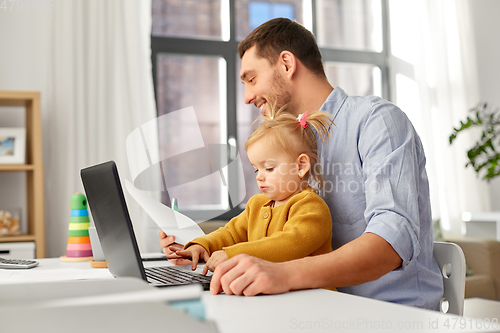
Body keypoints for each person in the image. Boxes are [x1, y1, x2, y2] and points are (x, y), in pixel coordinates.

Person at [161, 18, 444, 310]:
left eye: (251, 79)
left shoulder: (377, 121)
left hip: (390, 315)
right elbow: (249, 229)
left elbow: (391, 245)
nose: (246, 97)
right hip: (314, 308)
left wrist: (281, 274)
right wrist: (205, 248)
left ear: (286, 64)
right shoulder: (287, 143)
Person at [164, 105, 335, 277]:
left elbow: (290, 244)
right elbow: (230, 233)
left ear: (301, 166)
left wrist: (233, 254)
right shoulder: (256, 204)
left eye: (269, 168)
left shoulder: (311, 207)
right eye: (256, 170)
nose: (259, 177)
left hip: (313, 297)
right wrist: (202, 245)